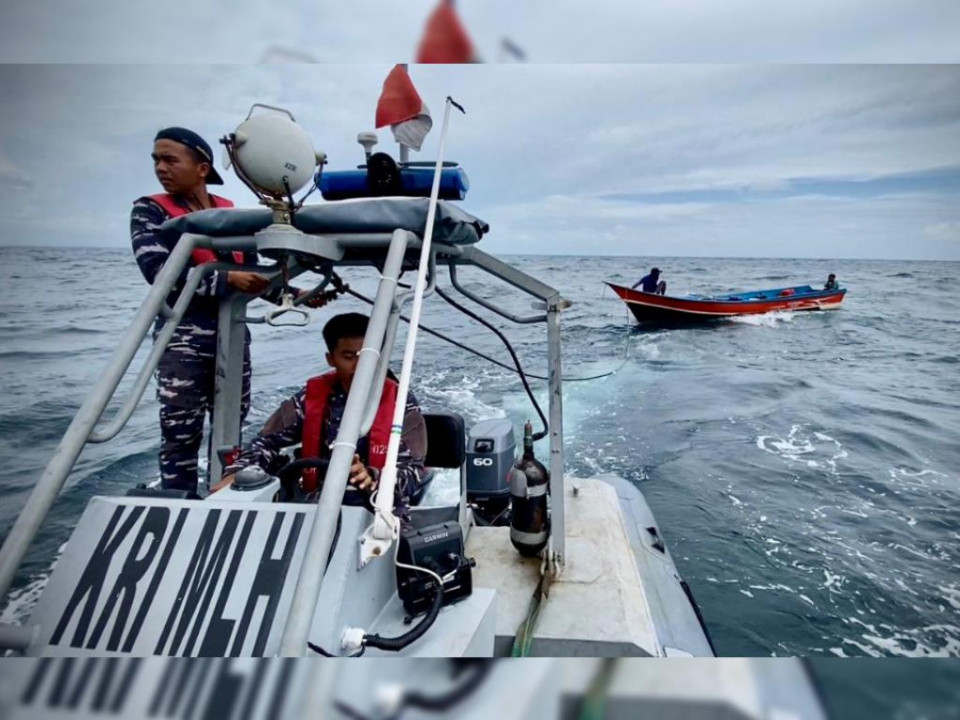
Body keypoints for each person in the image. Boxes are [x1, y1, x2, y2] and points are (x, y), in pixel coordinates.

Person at [131, 126, 325, 495]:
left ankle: (223, 496)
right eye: (156, 159)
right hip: (183, 338)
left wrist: (294, 294)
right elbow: (159, 274)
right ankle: (179, 504)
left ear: (202, 168)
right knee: (179, 435)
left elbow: (251, 274)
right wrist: (228, 281)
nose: (160, 167)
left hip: (233, 334)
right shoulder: (148, 210)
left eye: (170, 159)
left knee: (230, 427)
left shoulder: (230, 213)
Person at [216, 313, 428, 510]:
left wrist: (371, 476)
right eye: (349, 357)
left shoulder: (402, 404)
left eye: (367, 357)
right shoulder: (311, 397)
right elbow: (265, 441)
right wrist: (238, 472)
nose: (359, 366)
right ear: (331, 359)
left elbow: (414, 472)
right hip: (317, 506)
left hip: (382, 513)